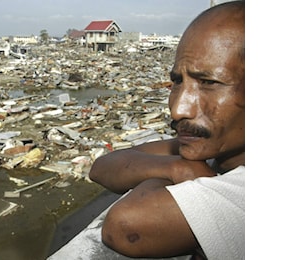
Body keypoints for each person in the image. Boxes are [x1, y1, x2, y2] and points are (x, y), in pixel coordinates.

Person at [88, 1, 245, 259]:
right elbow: (103, 166)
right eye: (177, 81)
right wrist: (178, 168)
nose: (178, 109)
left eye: (208, 82)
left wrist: (166, 169)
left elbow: (125, 226)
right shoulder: (221, 149)